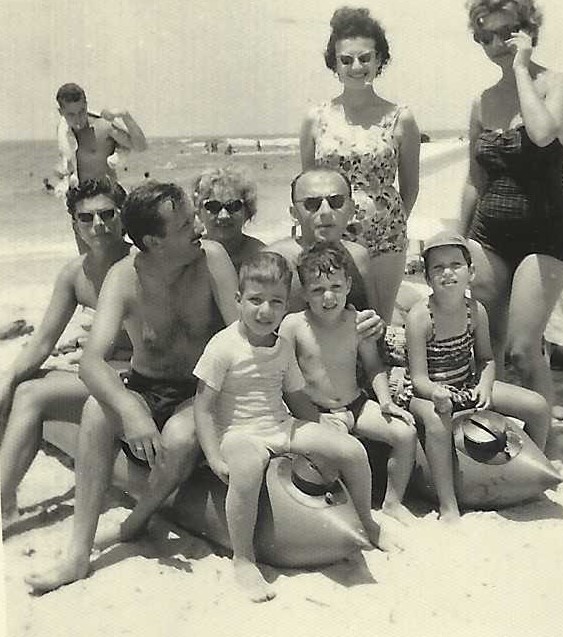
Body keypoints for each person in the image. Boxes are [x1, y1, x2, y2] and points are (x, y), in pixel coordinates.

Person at [25, 181, 239, 594]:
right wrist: (130, 409)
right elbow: (91, 360)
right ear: (154, 242)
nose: (199, 227)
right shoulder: (124, 277)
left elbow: (237, 336)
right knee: (95, 411)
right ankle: (77, 554)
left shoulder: (212, 258)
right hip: (147, 384)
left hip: (198, 388)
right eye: (185, 225)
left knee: (181, 436)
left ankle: (138, 519)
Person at [193, 252, 390, 603]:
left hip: (280, 424)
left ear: (287, 306)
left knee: (351, 450)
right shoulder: (223, 347)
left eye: (275, 302)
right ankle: (243, 558)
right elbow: (204, 407)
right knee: (249, 469)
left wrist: (320, 435)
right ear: (238, 300)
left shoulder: (282, 346)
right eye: (255, 300)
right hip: (238, 432)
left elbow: (296, 397)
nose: (265, 311)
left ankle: (367, 522)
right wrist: (213, 455)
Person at [459, 1, 563, 410]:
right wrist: (460, 241)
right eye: (484, 36)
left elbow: (543, 133)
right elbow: (476, 179)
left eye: (505, 33)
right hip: (489, 233)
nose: (495, 44)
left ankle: (545, 441)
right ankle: (504, 435)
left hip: (546, 231)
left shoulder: (555, 83)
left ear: (526, 31)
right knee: (489, 351)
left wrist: (522, 68)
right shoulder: (482, 102)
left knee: (523, 350)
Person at [390, 231, 550, 521]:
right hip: (427, 393)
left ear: (471, 272)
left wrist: (486, 386)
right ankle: (448, 503)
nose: (447, 273)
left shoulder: (476, 311)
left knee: (537, 405)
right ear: (427, 278)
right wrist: (440, 393)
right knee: (438, 425)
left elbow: (487, 359)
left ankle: (525, 470)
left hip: (466, 384)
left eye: (455, 265)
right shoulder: (420, 318)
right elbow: (418, 379)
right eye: (438, 268)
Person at [0, 179, 131, 530]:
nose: (97, 225)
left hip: (137, 375)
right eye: (86, 218)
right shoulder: (76, 274)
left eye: (106, 214)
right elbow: (42, 342)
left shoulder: (140, 265)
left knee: (31, 394)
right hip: (102, 372)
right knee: (19, 383)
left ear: (123, 216)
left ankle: (3, 498)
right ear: (74, 224)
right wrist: (8, 379)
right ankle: (5, 497)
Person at [279, 243, 417, 524]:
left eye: (336, 287)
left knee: (405, 434)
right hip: (320, 412)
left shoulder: (356, 322)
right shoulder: (293, 326)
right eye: (317, 290)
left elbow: (374, 366)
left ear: (349, 285)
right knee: (340, 453)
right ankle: (357, 513)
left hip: (357, 404)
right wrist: (313, 418)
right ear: (304, 293)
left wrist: (387, 403)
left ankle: (392, 502)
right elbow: (285, 380)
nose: (328, 297)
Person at [299, 7, 421, 324]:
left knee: (376, 321)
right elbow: (307, 184)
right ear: (334, 64)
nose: (357, 66)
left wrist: (388, 221)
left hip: (386, 236)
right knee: (329, 317)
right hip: (331, 233)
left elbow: (411, 185)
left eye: (365, 58)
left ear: (379, 60)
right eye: (346, 60)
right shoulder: (316, 118)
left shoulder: (400, 117)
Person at [267, 168, 381, 334]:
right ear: (294, 213)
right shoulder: (276, 261)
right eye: (312, 204)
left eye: (336, 202)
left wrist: (376, 328)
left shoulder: (358, 256)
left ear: (351, 209)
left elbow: (376, 319)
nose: (326, 212)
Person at [55, 83, 147, 252]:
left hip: (108, 206)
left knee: (119, 257)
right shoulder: (65, 134)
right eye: (71, 114)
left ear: (86, 105)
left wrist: (124, 115)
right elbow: (67, 167)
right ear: (61, 113)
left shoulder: (103, 126)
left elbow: (140, 146)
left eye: (81, 111)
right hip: (81, 208)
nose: (78, 119)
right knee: (89, 263)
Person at [192, 166, 265, 272]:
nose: (223, 215)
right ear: (198, 211)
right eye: (213, 206)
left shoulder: (262, 257)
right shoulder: (189, 258)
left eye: (233, 206)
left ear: (248, 210)